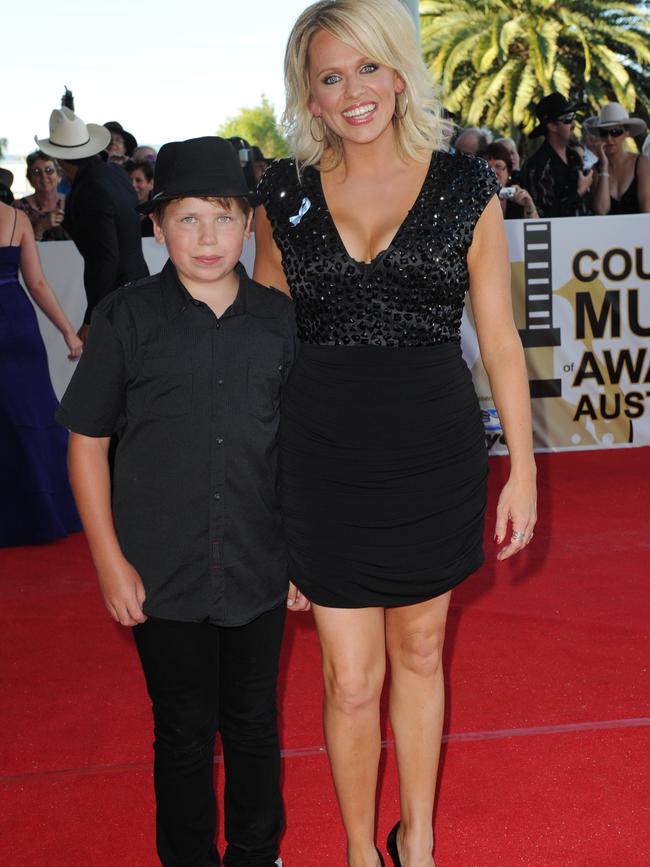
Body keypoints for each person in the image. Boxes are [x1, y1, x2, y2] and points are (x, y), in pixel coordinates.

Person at [254, 2, 537, 865]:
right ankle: (357, 851)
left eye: (368, 68)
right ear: (310, 95)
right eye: (332, 76)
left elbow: (497, 339)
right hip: (320, 458)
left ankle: (416, 838)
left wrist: (523, 468)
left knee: (418, 652)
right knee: (349, 677)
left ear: (400, 71)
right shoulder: (284, 197)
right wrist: (267, 503)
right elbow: (266, 349)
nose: (354, 91)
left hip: (432, 452)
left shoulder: (465, 189)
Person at [56, 136, 296, 867]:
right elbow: (87, 442)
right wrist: (108, 560)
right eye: (187, 219)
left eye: (223, 218)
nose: (207, 238)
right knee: (183, 730)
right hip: (161, 570)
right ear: (156, 226)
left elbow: (299, 450)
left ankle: (257, 853)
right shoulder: (126, 319)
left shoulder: (282, 323)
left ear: (249, 223)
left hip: (259, 564)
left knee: (254, 722)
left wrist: (302, 555)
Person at [0, 201, 82, 546]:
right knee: (32, 416)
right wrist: (68, 331)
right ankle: (49, 512)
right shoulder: (16, 217)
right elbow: (37, 284)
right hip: (17, 324)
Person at [35, 107, 149, 340]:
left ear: (58, 158)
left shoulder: (90, 190)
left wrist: (91, 318)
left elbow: (105, 259)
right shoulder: (114, 174)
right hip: (139, 287)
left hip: (117, 302)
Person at [519, 92, 592, 217]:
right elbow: (545, 213)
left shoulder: (574, 156)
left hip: (584, 232)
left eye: (573, 117)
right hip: (555, 235)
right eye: (568, 119)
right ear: (552, 126)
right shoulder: (537, 165)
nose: (574, 124)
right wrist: (579, 192)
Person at [589, 103, 650, 215]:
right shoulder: (597, 169)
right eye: (604, 133)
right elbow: (601, 211)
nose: (609, 138)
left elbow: (646, 209)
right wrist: (604, 168)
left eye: (616, 132)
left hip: (638, 230)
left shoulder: (641, 162)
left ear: (627, 133)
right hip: (607, 231)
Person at [13, 151, 68, 241]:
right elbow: (14, 246)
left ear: (59, 176)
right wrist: (41, 227)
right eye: (36, 171)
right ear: (30, 179)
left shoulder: (73, 203)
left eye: (49, 170)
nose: (43, 175)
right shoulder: (18, 209)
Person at [484, 142, 539, 219]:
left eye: (498, 166)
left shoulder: (517, 194)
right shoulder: (475, 198)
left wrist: (529, 205)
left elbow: (535, 229)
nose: (492, 171)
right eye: (487, 168)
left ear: (508, 172)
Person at [124, 158, 155, 236]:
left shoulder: (159, 217)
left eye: (138, 180)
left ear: (151, 184)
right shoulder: (115, 215)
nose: (133, 185)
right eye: (129, 180)